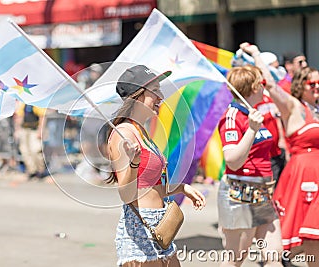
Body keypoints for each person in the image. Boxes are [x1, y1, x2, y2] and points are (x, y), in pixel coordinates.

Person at [106, 65, 206, 266]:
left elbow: (150, 187)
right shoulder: (123, 133)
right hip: (140, 229)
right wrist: (134, 162)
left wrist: (182, 188)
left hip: (161, 226)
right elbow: (126, 194)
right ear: (137, 96)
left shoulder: (141, 132)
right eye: (155, 91)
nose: (161, 96)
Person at [241, 42, 319, 266]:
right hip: (302, 176)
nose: (316, 87)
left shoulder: (317, 109)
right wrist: (256, 54)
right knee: (301, 238)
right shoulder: (293, 106)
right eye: (311, 83)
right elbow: (271, 85)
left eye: (318, 83)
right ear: (300, 86)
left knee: (314, 236)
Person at [217, 65, 283, 266]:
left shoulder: (252, 113)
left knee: (274, 255)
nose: (265, 88)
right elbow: (232, 161)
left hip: (262, 189)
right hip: (240, 190)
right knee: (235, 258)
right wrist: (251, 131)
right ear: (254, 87)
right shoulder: (232, 116)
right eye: (262, 83)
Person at [14, 103, 47, 180]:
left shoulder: (36, 102)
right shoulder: (22, 103)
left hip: (34, 130)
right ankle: (32, 171)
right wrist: (17, 129)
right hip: (24, 129)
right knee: (25, 151)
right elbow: (19, 117)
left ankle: (40, 170)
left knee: (35, 150)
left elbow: (42, 116)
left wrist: (40, 130)